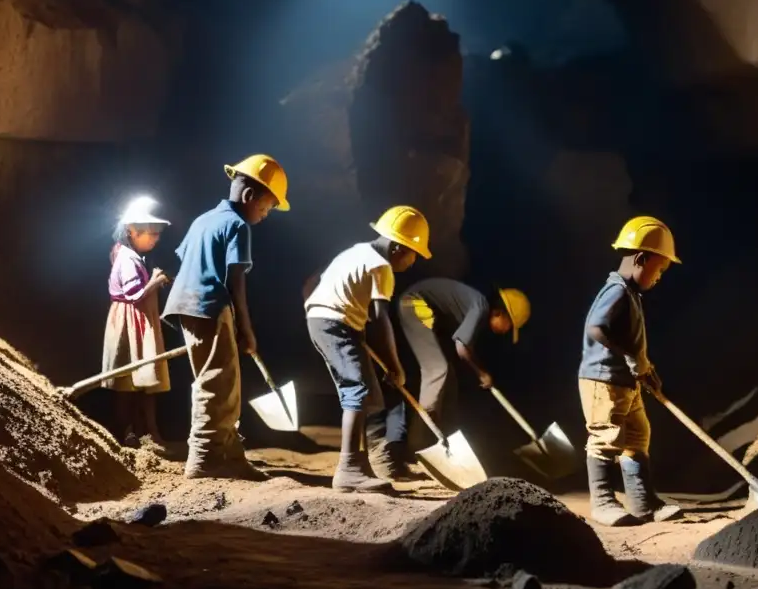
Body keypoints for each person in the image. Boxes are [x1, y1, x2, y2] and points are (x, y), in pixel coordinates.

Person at [162, 154, 290, 481]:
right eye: (266, 208)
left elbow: (185, 260)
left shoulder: (203, 220)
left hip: (185, 303)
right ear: (250, 197)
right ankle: (205, 457)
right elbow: (236, 282)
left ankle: (229, 453)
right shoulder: (237, 225)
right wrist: (245, 328)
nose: (265, 215)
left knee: (221, 380)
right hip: (209, 303)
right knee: (217, 382)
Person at [304, 205, 431, 493]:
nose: (413, 262)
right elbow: (380, 318)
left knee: (368, 393)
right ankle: (349, 469)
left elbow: (314, 285)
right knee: (357, 390)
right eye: (414, 253)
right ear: (399, 246)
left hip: (324, 320)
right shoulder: (382, 267)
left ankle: (361, 464)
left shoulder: (356, 251)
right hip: (335, 323)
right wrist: (395, 365)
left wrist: (353, 327)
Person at [366, 279, 531, 480]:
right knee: (438, 370)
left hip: (424, 310)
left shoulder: (475, 306)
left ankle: (445, 440)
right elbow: (461, 346)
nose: (506, 331)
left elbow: (459, 343)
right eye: (509, 325)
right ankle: (420, 445)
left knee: (449, 379)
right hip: (414, 305)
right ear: (500, 313)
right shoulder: (480, 307)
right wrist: (482, 373)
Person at [580, 215, 683, 527]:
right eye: (660, 268)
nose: (660, 276)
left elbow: (632, 342)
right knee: (605, 438)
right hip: (603, 380)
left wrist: (645, 368)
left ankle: (642, 502)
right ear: (641, 258)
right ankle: (603, 502)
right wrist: (628, 358)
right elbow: (596, 327)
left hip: (626, 382)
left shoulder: (631, 294)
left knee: (638, 434)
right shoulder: (617, 291)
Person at [102, 196, 172, 449]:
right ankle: (129, 433)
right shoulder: (127, 259)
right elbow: (134, 295)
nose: (156, 238)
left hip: (139, 322)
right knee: (127, 381)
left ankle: (148, 432)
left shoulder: (130, 255)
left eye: (157, 233)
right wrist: (155, 281)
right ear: (132, 230)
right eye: (151, 233)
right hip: (129, 323)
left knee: (143, 379)